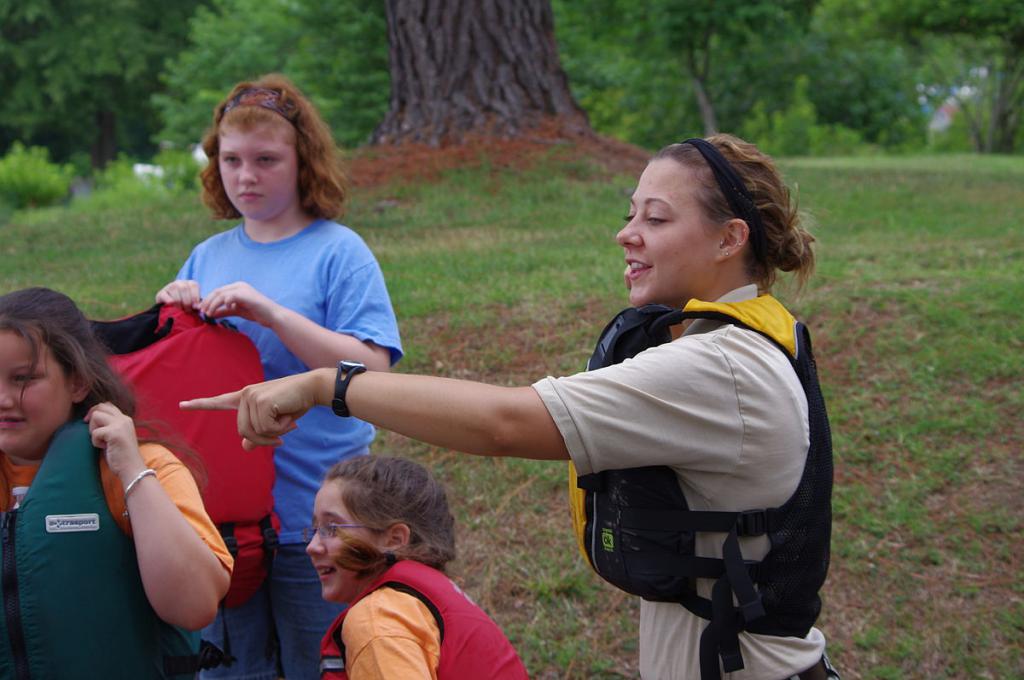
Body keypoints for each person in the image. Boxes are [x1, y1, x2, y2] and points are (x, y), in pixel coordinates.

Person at [183, 134, 837, 680]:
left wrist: (327, 384)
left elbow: (503, 422)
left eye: (655, 219)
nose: (626, 234)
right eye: (631, 213)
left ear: (729, 239)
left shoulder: (717, 366)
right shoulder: (730, 342)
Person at [156, 74, 403, 679]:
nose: (246, 177)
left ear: (303, 161)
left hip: (316, 519)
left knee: (320, 666)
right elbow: (176, 377)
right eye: (232, 160)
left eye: (266, 160)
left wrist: (270, 311)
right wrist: (170, 309)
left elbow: (372, 368)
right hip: (222, 521)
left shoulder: (338, 251)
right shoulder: (208, 254)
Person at [0, 287, 233, 678]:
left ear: (78, 382)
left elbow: (194, 606)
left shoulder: (143, 468)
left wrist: (133, 473)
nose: (3, 398)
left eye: (23, 379)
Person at [308, 455, 528, 679]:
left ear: (394, 540)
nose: (312, 546)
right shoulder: (421, 604)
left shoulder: (379, 620)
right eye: (315, 528)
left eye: (332, 528)